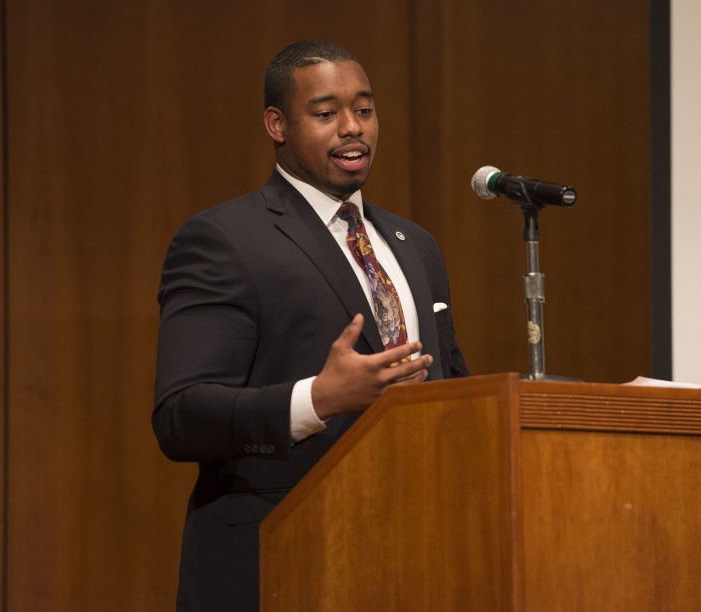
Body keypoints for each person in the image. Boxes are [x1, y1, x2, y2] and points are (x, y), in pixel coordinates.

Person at [152, 40, 468, 611]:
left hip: (415, 557)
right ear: (277, 123)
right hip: (278, 560)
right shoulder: (225, 240)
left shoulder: (414, 245)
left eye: (365, 110)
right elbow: (180, 417)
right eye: (326, 114)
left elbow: (447, 387)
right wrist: (318, 398)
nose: (353, 128)